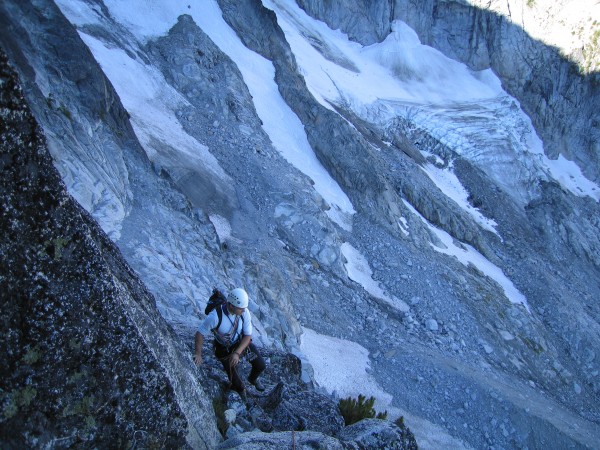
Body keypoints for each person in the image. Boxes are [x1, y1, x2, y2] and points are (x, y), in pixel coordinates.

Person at [194, 287, 266, 393]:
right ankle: (241, 395)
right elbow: (200, 333)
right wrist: (198, 354)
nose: (244, 310)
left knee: (260, 365)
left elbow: (247, 336)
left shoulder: (244, 312)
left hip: (239, 342)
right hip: (224, 349)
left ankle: (252, 379)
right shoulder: (215, 317)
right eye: (241, 308)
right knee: (239, 385)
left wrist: (237, 353)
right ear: (232, 305)